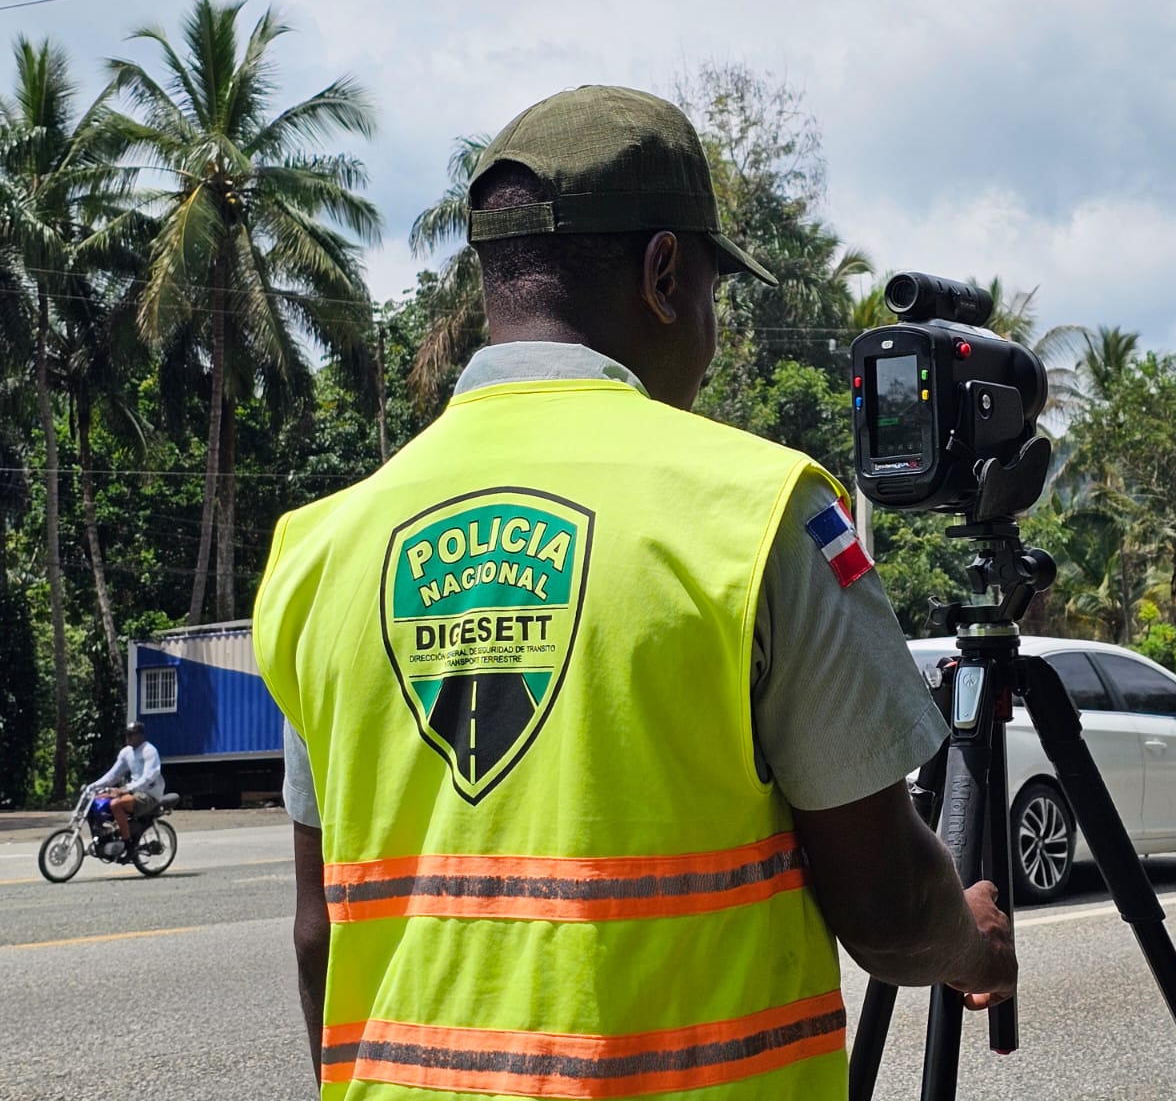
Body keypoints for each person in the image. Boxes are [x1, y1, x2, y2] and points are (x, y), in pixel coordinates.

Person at [253, 84, 1016, 1100]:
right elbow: (888, 912)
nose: (707, 329)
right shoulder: (759, 514)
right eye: (710, 292)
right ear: (664, 275)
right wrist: (971, 944)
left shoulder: (319, 549)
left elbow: (319, 933)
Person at [89, 721, 165, 855]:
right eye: (127, 734)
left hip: (149, 794)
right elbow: (113, 775)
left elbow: (148, 777)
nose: (128, 737)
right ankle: (106, 834)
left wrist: (127, 789)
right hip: (133, 791)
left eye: (131, 734)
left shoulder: (149, 751)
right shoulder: (126, 752)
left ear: (140, 736)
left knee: (116, 804)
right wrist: (93, 786)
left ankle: (127, 843)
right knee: (97, 800)